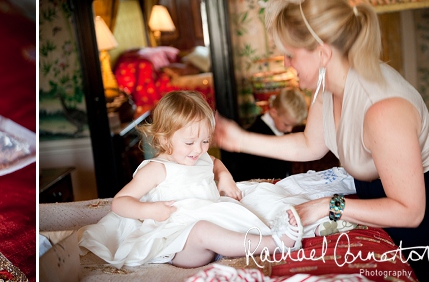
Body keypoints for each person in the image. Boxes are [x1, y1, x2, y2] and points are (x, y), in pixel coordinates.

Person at [214, 0, 429, 279]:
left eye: (290, 55)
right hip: (381, 197)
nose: (286, 63)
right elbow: (310, 144)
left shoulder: (383, 110)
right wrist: (240, 139)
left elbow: (409, 212)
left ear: (322, 53)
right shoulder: (328, 84)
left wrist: (326, 206)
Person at [78, 91, 303, 269]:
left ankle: (256, 234)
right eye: (190, 143)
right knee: (202, 230)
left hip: (212, 217)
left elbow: (215, 163)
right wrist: (150, 211)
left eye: (205, 141)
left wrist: (225, 178)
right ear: (165, 138)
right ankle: (274, 243)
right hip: (178, 241)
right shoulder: (157, 169)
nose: (199, 150)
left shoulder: (200, 157)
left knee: (257, 194)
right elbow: (119, 202)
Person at [229, 87, 308, 181]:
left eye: (293, 126)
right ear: (274, 112)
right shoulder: (258, 134)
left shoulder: (278, 130)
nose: (289, 129)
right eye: (286, 124)